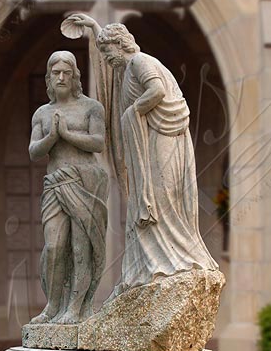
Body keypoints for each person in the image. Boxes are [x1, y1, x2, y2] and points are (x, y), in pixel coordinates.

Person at [61, 15, 218, 293]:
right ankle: (153, 262)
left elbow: (155, 90)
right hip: (157, 138)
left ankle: (174, 259)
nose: (108, 62)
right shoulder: (127, 65)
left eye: (109, 55)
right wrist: (94, 29)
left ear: (121, 46)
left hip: (163, 137)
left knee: (163, 194)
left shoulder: (139, 62)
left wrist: (134, 111)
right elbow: (113, 75)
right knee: (153, 198)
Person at [28, 51, 109, 324]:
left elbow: (98, 142)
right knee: (53, 246)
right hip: (55, 182)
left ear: (75, 77)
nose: (61, 77)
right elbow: (34, 152)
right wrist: (52, 136)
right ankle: (52, 306)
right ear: (49, 78)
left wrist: (67, 134)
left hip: (85, 182)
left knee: (80, 246)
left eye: (66, 72)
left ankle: (75, 307)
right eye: (55, 73)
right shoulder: (42, 113)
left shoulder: (91, 107)